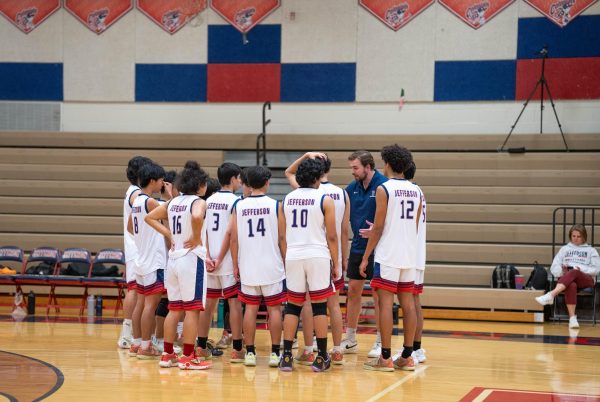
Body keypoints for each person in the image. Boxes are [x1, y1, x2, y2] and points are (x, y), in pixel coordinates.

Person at [360, 144, 422, 372]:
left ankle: (385, 357)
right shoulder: (417, 191)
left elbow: (378, 228)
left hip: (388, 254)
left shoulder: (384, 189)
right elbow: (413, 226)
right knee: (408, 304)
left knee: (386, 303)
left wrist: (366, 256)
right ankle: (407, 355)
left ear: (387, 164)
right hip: (408, 253)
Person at [284, 152, 349, 365]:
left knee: (293, 306)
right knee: (320, 306)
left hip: (293, 255)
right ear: (317, 178)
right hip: (317, 255)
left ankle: (286, 356)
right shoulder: (325, 199)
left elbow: (283, 235)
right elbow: (332, 235)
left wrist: (304, 156)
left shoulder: (288, 198)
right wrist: (336, 262)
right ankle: (322, 356)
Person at [145, 161, 211, 370]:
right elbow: (197, 215)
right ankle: (188, 357)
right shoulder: (198, 201)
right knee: (192, 311)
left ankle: (167, 354)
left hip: (172, 260)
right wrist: (198, 237)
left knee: (174, 309)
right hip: (191, 259)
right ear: (200, 185)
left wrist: (168, 233)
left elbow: (149, 217)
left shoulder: (173, 203)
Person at [230, 165, 286, 368]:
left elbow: (233, 240)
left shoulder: (239, 206)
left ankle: (251, 353)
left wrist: (235, 264)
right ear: (266, 182)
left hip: (248, 265)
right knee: (275, 311)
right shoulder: (275, 205)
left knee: (250, 310)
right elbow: (282, 238)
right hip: (272, 265)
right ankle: (274, 353)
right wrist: (286, 261)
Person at [197, 163, 244, 364]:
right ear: (233, 178)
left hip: (209, 261)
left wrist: (208, 256)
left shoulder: (208, 200)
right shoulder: (237, 201)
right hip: (225, 261)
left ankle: (200, 346)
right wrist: (225, 259)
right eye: (240, 178)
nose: (241, 181)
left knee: (208, 305)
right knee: (234, 303)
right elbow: (232, 235)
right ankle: (237, 349)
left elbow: (204, 232)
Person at [343, 150, 388, 358]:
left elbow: (392, 218)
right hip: (358, 246)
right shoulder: (351, 189)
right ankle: (350, 338)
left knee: (380, 295)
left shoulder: (383, 185)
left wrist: (378, 231)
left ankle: (380, 340)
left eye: (355, 168)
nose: (352, 172)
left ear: (368, 167)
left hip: (380, 247)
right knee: (353, 291)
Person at [127, 163, 166, 359]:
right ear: (152, 181)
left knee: (141, 304)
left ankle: (136, 343)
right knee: (150, 305)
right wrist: (170, 197)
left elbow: (130, 229)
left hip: (140, 259)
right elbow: (174, 212)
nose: (162, 184)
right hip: (153, 261)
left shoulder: (135, 202)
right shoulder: (150, 202)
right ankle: (146, 345)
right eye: (161, 180)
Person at [392, 161, 427, 365]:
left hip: (409, 252)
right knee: (414, 301)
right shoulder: (418, 192)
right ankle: (416, 347)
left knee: (410, 302)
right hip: (416, 253)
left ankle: (413, 350)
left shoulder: (408, 192)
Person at [535, 224, 600, 329]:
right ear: (570, 236)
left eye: (579, 236)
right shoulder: (564, 249)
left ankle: (551, 294)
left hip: (585, 279)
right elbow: (554, 267)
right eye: (574, 236)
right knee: (571, 285)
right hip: (568, 279)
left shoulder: (591, 250)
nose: (576, 239)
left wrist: (580, 269)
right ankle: (572, 319)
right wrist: (562, 271)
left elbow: (596, 269)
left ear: (584, 236)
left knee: (574, 272)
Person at [118, 156, 152, 349]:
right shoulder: (136, 194)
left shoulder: (133, 191)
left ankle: (132, 333)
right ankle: (127, 333)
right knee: (134, 290)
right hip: (136, 248)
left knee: (138, 292)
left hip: (137, 248)